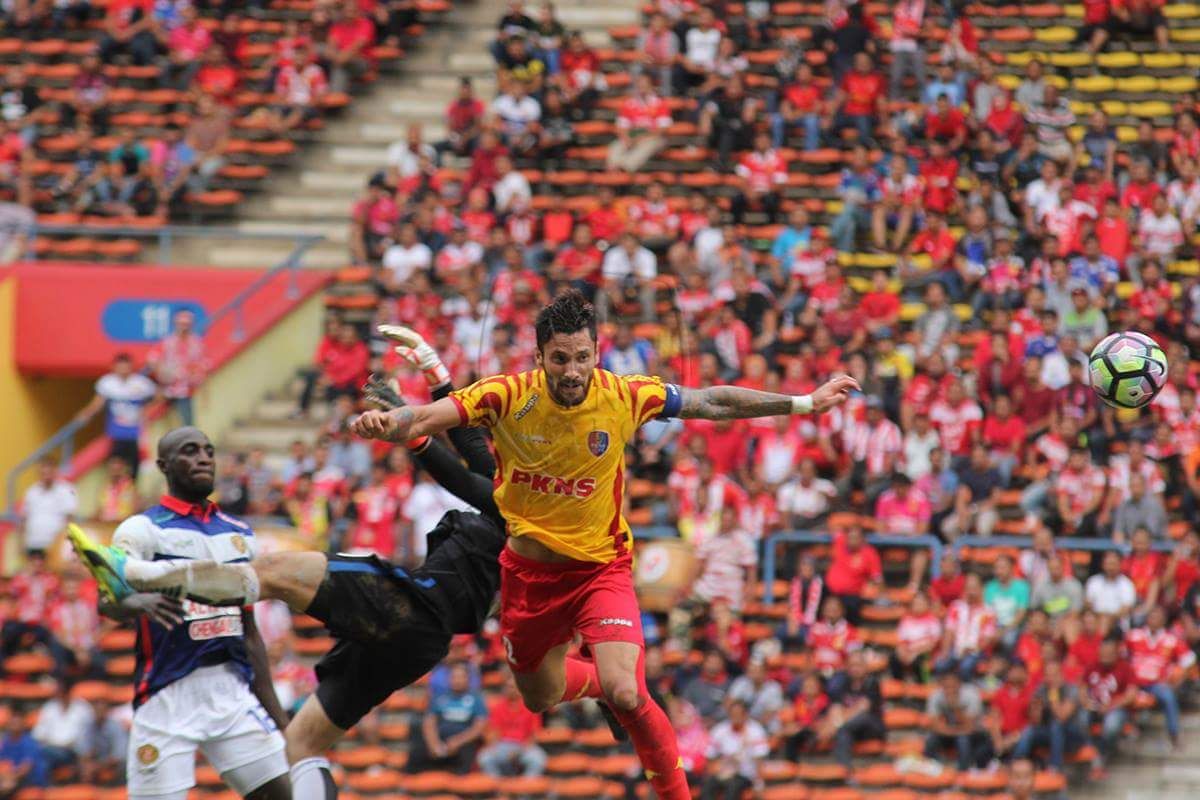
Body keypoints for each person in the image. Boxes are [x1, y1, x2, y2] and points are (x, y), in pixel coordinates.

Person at [72, 427, 291, 800]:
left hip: (231, 691)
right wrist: (138, 603)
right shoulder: (142, 530)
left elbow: (249, 630)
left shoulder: (239, 533)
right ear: (163, 465)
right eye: (190, 451)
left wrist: (282, 721)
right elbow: (107, 601)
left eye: (208, 450)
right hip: (166, 694)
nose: (203, 458)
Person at [73, 352, 159, 478]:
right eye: (120, 366)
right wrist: (85, 414)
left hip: (136, 433)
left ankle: (130, 492)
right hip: (116, 432)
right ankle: (115, 494)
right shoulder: (107, 383)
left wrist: (147, 409)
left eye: (126, 366)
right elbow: (97, 403)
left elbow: (159, 396)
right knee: (115, 463)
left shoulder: (140, 383)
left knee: (135, 467)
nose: (123, 370)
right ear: (114, 367)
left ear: (131, 366)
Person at [407, 662, 488, 774]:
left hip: (463, 742)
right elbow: (429, 722)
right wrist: (434, 743)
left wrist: (457, 742)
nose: (457, 680)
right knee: (416, 754)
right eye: (454, 677)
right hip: (440, 738)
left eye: (461, 677)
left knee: (467, 756)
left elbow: (479, 727)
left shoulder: (476, 700)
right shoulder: (439, 698)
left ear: (467, 679)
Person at [147, 309, 207, 427]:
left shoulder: (196, 343)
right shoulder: (168, 342)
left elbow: (203, 366)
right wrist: (164, 373)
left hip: (186, 390)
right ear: (175, 324)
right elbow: (152, 360)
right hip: (167, 388)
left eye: (187, 325)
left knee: (187, 423)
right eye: (181, 324)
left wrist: (198, 382)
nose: (184, 327)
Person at [923, 669, 993, 771]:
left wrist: (955, 707)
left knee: (963, 740)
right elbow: (935, 725)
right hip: (951, 732)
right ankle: (935, 768)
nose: (950, 690)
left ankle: (963, 771)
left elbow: (970, 726)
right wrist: (953, 731)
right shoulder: (935, 696)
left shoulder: (971, 695)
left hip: (975, 734)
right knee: (931, 740)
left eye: (953, 686)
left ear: (960, 684)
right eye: (947, 686)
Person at [478, 674, 546, 777]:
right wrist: (493, 746)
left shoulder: (531, 706)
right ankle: (498, 788)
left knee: (538, 759)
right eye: (507, 687)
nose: (510, 690)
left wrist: (519, 751)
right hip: (502, 745)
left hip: (523, 746)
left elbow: (534, 735)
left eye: (513, 687)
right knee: (485, 758)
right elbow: (494, 732)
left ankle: (525, 789)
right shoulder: (498, 707)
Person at [701, 699, 769, 800]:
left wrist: (758, 784)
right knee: (708, 785)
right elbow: (709, 755)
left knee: (733, 786)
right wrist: (715, 771)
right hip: (724, 772)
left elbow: (759, 760)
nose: (735, 718)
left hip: (746, 775)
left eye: (738, 714)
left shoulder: (756, 731)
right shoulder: (720, 730)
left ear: (745, 715)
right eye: (732, 714)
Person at [19, 456, 77, 557]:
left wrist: (66, 544)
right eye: (43, 472)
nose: (46, 476)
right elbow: (24, 519)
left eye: (49, 472)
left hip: (55, 545)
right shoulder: (31, 492)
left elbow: (70, 520)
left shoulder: (66, 490)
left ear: (55, 471)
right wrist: (21, 543)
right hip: (33, 544)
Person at [31, 679, 93, 772]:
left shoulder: (82, 708)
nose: (59, 695)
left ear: (68, 692)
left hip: (73, 751)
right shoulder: (49, 707)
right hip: (50, 748)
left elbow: (87, 734)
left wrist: (72, 744)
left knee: (40, 756)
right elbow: (39, 733)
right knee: (42, 758)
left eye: (62, 692)